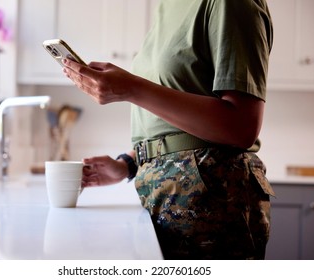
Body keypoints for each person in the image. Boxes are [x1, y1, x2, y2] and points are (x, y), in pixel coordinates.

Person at [62, 0, 275, 260]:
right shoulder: (168, 5)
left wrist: (132, 88)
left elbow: (242, 127)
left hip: (211, 198)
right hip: (161, 195)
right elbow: (173, 122)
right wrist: (128, 163)